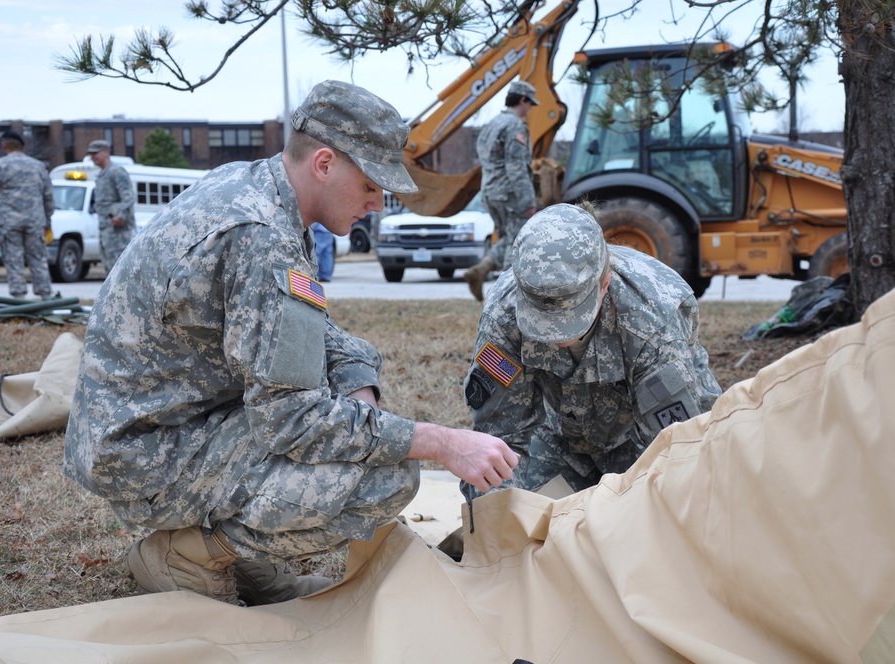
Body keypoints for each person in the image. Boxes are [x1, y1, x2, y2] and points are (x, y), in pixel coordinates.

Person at [63, 80, 518, 607]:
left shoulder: (260, 191)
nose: (376, 203)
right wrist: (443, 441)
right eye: (371, 185)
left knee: (361, 433)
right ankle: (187, 552)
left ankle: (236, 555)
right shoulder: (261, 235)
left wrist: (359, 392)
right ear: (324, 163)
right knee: (386, 474)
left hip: (164, 422)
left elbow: (314, 335)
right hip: (143, 449)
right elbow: (292, 420)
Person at [462, 202, 721, 497]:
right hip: (562, 438)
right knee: (519, 513)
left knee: (666, 509)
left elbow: (678, 452)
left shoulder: (649, 321)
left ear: (604, 285)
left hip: (640, 439)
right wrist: (495, 524)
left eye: (571, 319)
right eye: (542, 320)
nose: (556, 335)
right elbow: (499, 438)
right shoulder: (503, 316)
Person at [463, 80, 539, 301]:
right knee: (517, 244)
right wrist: (528, 202)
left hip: (490, 192)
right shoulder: (515, 126)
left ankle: (481, 270)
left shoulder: (492, 124)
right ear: (523, 100)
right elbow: (515, 166)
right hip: (510, 194)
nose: (530, 109)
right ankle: (508, 298)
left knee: (507, 238)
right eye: (530, 104)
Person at [0, 130, 54, 299]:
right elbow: (48, 197)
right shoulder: (38, 166)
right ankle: (45, 296)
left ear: (4, 146)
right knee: (38, 259)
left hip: (8, 222)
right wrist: (47, 220)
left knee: (13, 260)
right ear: (23, 147)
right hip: (34, 221)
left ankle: (19, 298)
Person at [86, 139, 135, 274]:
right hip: (106, 228)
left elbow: (128, 196)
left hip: (118, 230)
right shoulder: (102, 174)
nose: (92, 156)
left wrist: (121, 215)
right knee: (109, 266)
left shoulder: (116, 171)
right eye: (91, 153)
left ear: (106, 152)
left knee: (120, 267)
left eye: (96, 153)